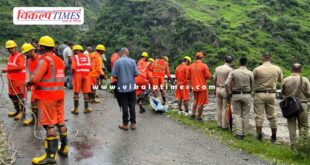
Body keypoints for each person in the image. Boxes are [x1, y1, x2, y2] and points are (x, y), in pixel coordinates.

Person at [27, 36, 68, 164]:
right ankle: (64, 148)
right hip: (59, 95)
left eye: (39, 46)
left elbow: (35, 79)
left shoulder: (45, 60)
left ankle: (50, 155)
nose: (38, 48)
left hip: (47, 97)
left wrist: (29, 82)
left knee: (49, 124)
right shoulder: (60, 60)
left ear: (42, 47)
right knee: (60, 122)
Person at [253, 53, 283, 142]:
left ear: (262, 59)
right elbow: (281, 80)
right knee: (272, 116)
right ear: (270, 58)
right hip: (271, 94)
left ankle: (259, 135)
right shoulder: (277, 68)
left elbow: (252, 79)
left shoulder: (257, 69)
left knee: (259, 116)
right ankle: (273, 136)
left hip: (260, 94)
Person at [225, 57, 254, 139]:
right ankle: (244, 133)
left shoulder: (234, 72)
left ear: (239, 63)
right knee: (246, 114)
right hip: (247, 95)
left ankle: (239, 133)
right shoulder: (250, 73)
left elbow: (226, 83)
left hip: (236, 95)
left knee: (237, 114)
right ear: (246, 63)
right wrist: (250, 91)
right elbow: (253, 85)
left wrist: (229, 92)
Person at [282, 63, 309, 147]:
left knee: (291, 126)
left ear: (291, 69)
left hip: (289, 106)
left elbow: (283, 93)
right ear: (301, 70)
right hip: (302, 105)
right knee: (304, 126)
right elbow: (309, 93)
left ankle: (294, 146)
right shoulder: (305, 79)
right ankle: (303, 146)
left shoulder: (285, 80)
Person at [112, 47, 139, 130]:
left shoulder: (117, 62)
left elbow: (114, 75)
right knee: (132, 105)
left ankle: (125, 124)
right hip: (131, 86)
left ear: (121, 53)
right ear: (127, 53)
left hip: (122, 87)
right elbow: (136, 74)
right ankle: (133, 123)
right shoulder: (133, 61)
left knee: (124, 105)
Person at [0, 40, 26, 120]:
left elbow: (20, 67)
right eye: (9, 48)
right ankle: (17, 111)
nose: (10, 50)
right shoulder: (11, 56)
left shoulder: (19, 56)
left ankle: (22, 112)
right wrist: (6, 70)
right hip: (11, 80)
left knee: (19, 96)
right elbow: (11, 67)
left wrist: (7, 70)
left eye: (11, 48)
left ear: (15, 47)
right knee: (12, 96)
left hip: (19, 80)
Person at [187, 52, 211, 121]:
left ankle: (193, 114)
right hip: (202, 87)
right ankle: (199, 117)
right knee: (201, 103)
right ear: (202, 58)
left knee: (196, 101)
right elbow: (208, 76)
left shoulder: (190, 66)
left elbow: (187, 77)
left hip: (195, 87)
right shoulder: (204, 66)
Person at [21, 43, 40, 126]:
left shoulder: (40, 59)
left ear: (32, 50)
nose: (26, 54)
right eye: (25, 53)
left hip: (42, 84)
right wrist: (28, 82)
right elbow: (29, 72)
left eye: (27, 52)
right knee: (33, 102)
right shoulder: (28, 61)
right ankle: (35, 120)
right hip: (34, 84)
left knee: (43, 103)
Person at [70, 45, 92, 114]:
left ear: (77, 51)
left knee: (76, 92)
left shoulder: (75, 57)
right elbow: (91, 68)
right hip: (86, 75)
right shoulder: (88, 57)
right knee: (85, 92)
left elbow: (73, 68)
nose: (73, 52)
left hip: (78, 75)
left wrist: (73, 74)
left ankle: (76, 109)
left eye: (74, 51)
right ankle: (86, 109)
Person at [214, 55, 233, 129]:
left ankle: (219, 123)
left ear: (224, 60)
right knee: (225, 108)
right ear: (231, 61)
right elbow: (230, 82)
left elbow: (214, 79)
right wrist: (230, 92)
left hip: (218, 88)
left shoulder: (217, 68)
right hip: (225, 89)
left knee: (219, 107)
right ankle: (224, 125)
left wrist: (215, 88)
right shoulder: (230, 69)